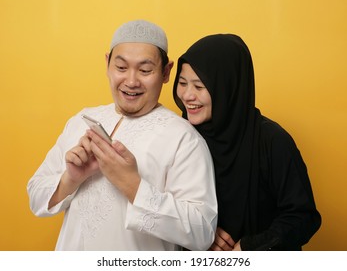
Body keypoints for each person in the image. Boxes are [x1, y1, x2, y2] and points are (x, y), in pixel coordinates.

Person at [27, 20, 217, 251]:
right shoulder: (81, 120)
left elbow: (202, 231)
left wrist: (132, 184)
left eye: (145, 70)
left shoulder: (185, 139)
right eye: (121, 67)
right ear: (107, 63)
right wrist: (71, 179)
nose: (131, 81)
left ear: (166, 72)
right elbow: (36, 197)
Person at [173, 34, 321, 251]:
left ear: (228, 87)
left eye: (199, 86)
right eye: (182, 83)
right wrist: (200, 232)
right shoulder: (181, 136)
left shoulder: (271, 141)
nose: (187, 95)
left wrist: (249, 248)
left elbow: (303, 217)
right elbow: (167, 205)